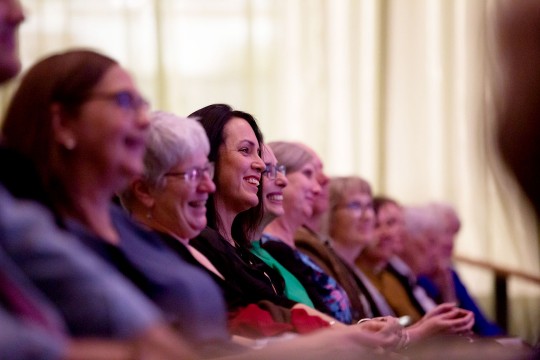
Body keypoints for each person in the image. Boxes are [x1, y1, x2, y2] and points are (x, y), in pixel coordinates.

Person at [0, 49, 230, 355]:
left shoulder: (126, 227)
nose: (144, 120)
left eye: (142, 104)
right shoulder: (38, 232)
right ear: (63, 124)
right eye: (124, 101)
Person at [262, 141, 356, 324]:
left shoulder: (292, 249)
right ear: (275, 177)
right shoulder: (269, 250)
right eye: (307, 174)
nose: (317, 188)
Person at [250, 144, 316, 307]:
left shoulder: (264, 253)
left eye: (280, 170)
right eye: (267, 171)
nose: (282, 180)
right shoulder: (271, 249)